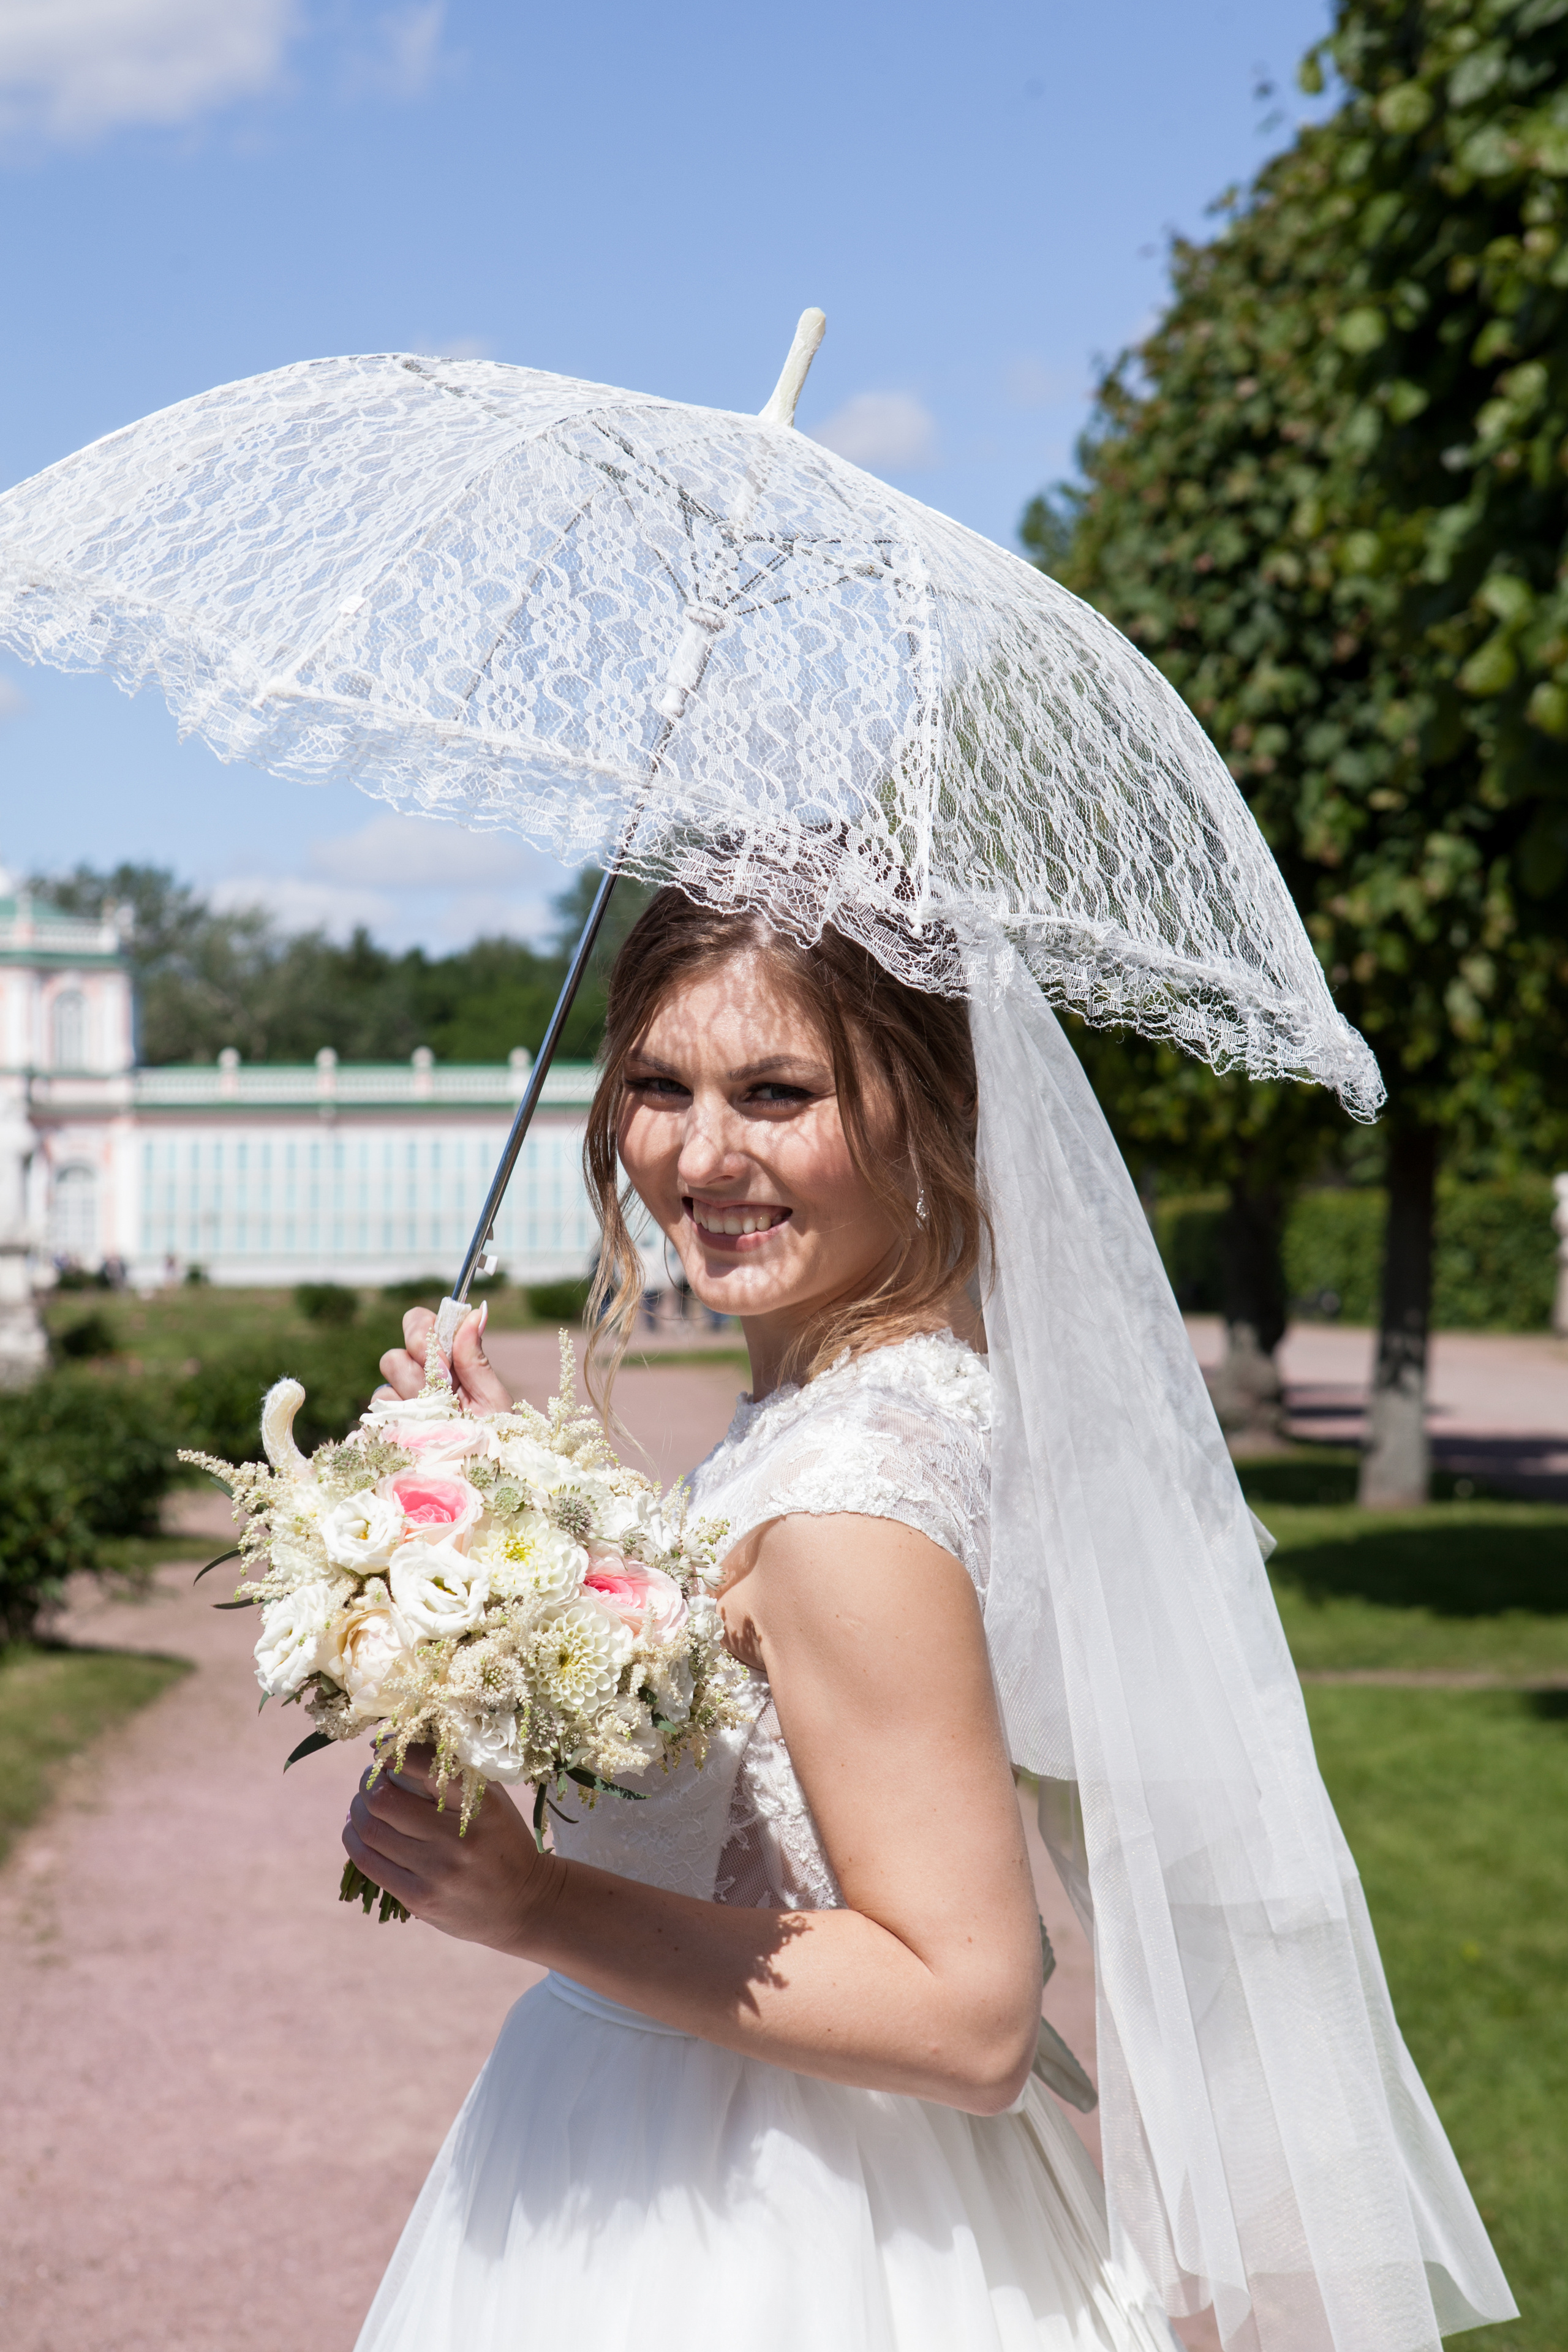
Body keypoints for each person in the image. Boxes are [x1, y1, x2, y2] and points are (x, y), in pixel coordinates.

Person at [347, 891, 1512, 2352]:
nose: (703, 1155)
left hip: (772, 2225)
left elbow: (968, 2016)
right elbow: (749, 1661)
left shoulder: (847, 1494)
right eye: (657, 1085)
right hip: (735, 2147)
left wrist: (537, 1907)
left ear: (928, 1104)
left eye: (778, 1093)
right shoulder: (864, 1401)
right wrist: (518, 1510)